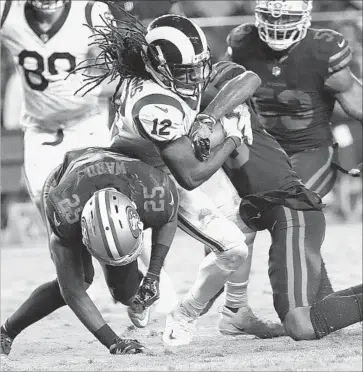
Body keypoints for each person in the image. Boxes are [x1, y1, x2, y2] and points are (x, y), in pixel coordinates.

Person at [83, 7, 284, 344]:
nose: (193, 78)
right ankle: (140, 296)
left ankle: (187, 313)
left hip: (163, 170)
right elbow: (190, 176)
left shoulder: (175, 74)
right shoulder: (153, 102)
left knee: (235, 247)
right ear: (156, 67)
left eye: (197, 69)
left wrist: (208, 119)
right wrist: (232, 135)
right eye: (184, 71)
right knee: (134, 292)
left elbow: (250, 79)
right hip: (136, 183)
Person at [189, 61, 363, 342]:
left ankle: (236, 310)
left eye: (205, 85)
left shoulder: (231, 118)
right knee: (322, 309)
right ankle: (236, 311)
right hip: (281, 214)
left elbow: (247, 79)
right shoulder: (230, 121)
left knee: (302, 325)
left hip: (292, 214)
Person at [224, 0, 363, 304]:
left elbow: (358, 104)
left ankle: (300, 307)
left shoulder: (321, 48)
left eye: (287, 16)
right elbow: (222, 90)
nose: (279, 24)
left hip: (312, 149)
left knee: (287, 210)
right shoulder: (243, 42)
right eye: (273, 16)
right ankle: (322, 303)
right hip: (263, 153)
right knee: (236, 225)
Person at [1, 146, 180, 355]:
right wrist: (113, 342)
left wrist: (153, 274)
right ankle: (6, 331)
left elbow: (169, 218)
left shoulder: (152, 188)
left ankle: (130, 286)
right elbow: (72, 291)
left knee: (125, 292)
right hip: (65, 184)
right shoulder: (63, 211)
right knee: (80, 279)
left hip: (124, 179)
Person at [0, 0, 115, 214]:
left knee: (102, 205)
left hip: (87, 123)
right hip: (40, 128)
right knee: (50, 208)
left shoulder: (91, 13)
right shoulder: (7, 12)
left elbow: (121, 77)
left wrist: (82, 90)